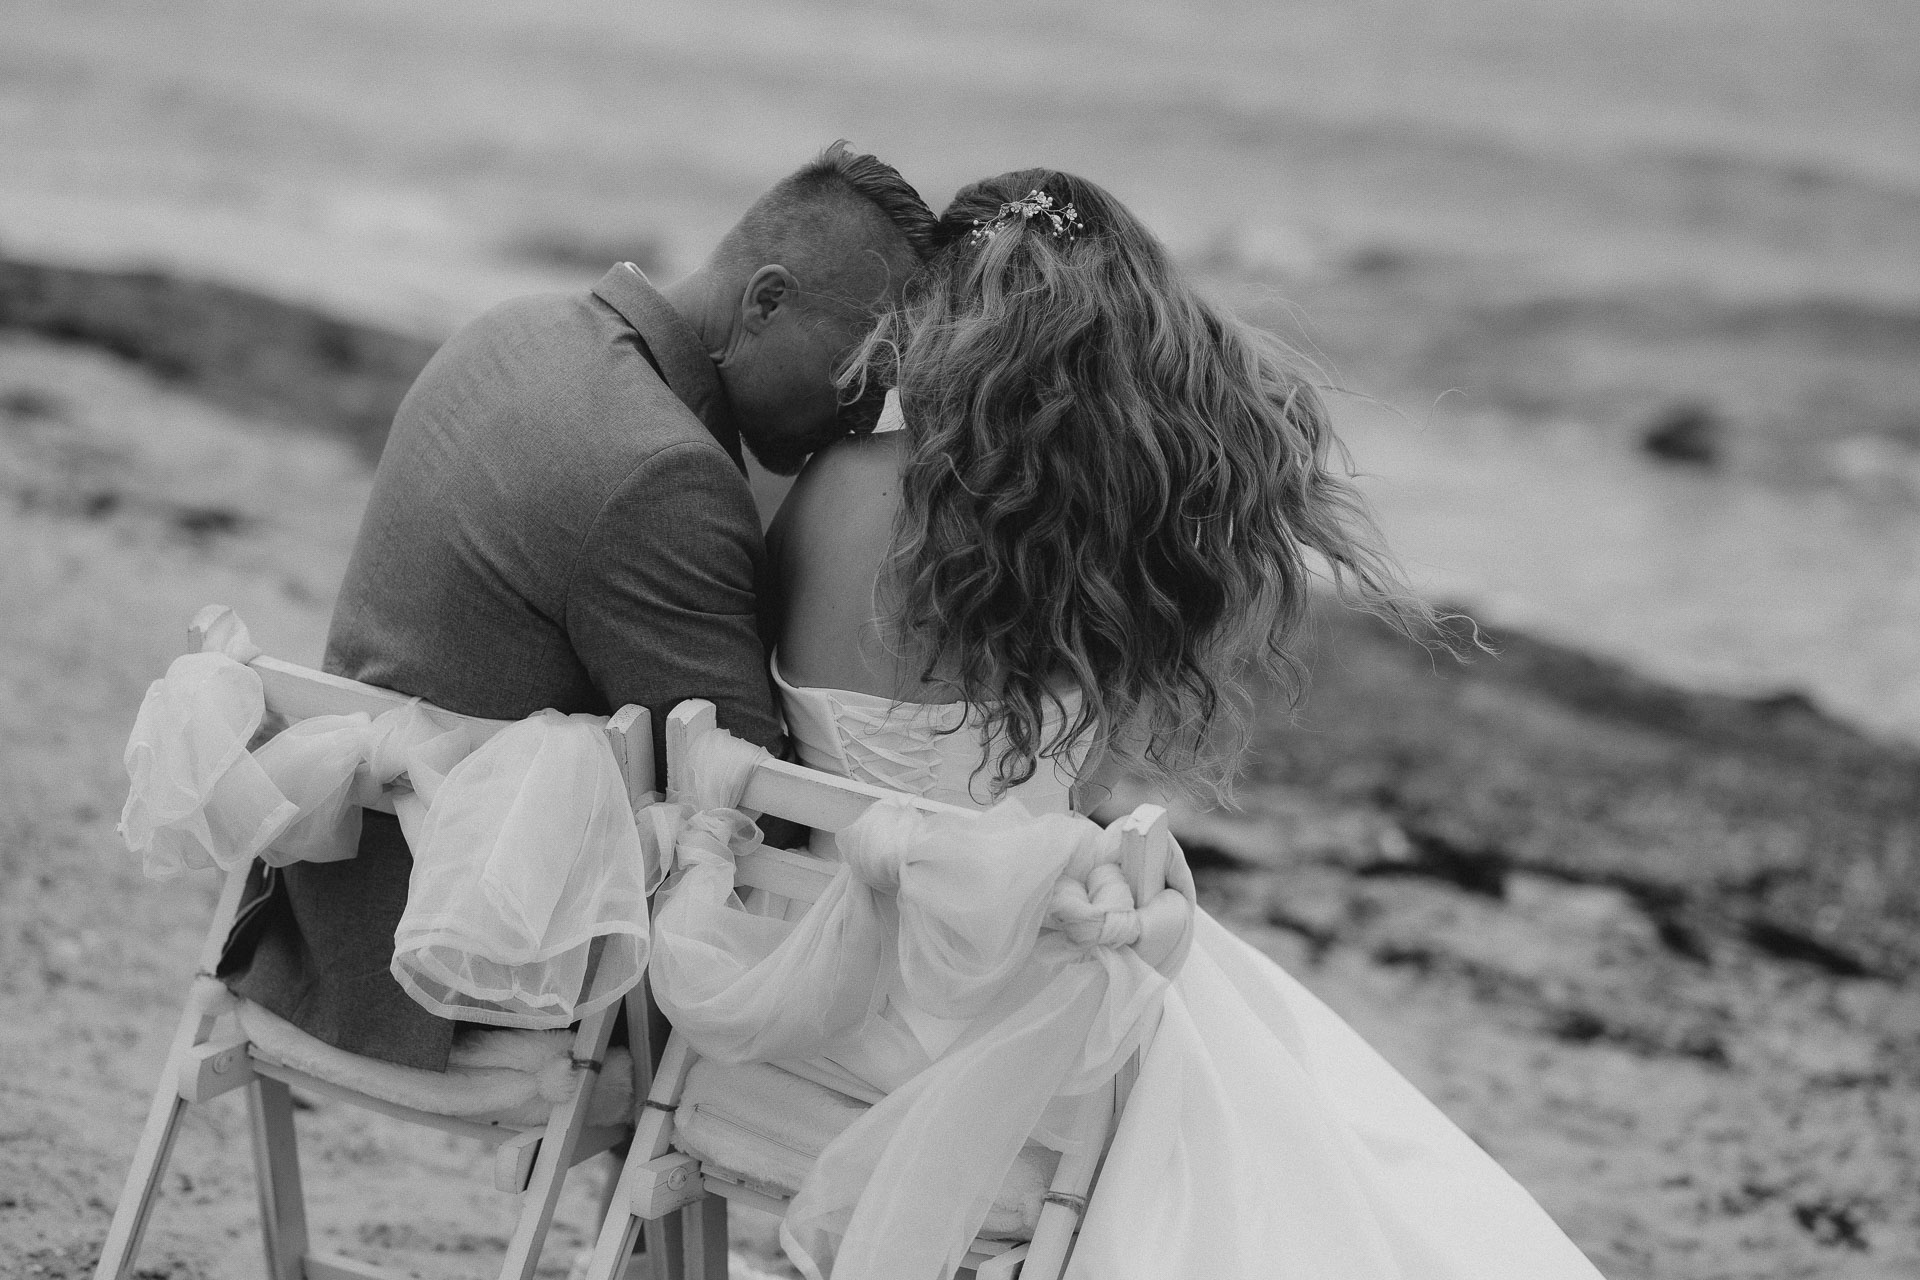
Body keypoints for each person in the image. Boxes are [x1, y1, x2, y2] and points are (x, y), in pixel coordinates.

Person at [763, 170, 1607, 1276]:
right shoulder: (1069, 563)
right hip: (1019, 1030)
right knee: (1305, 1122)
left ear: (945, 319)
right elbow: (1071, 794)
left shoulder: (828, 486)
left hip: (819, 980)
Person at [218, 143, 937, 1071]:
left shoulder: (510, 327)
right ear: (766, 301)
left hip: (315, 906)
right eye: (862, 369)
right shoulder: (666, 475)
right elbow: (753, 807)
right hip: (468, 961)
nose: (865, 413)